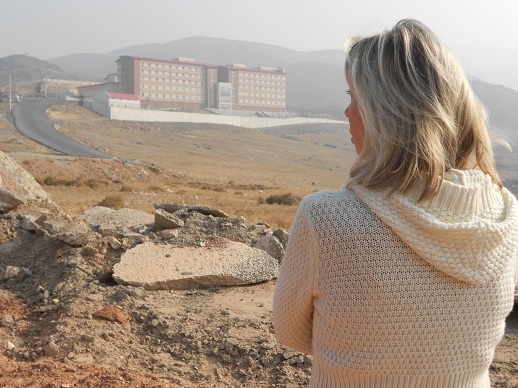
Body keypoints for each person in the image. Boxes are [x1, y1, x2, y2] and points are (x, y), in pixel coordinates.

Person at [273, 19, 518, 387]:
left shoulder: (326, 218)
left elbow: (291, 333)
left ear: (384, 112)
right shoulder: (505, 214)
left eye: (354, 98)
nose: (347, 113)